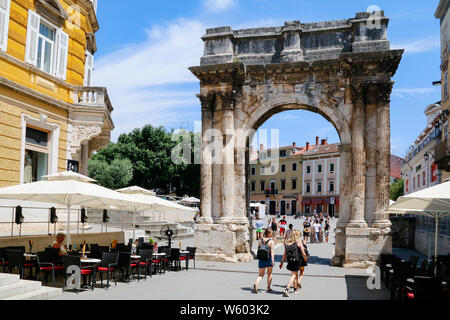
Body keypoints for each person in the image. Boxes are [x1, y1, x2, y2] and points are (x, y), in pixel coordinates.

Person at [279, 229, 308, 297]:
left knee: (294, 273)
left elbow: (284, 254)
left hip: (290, 260)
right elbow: (303, 253)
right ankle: (287, 289)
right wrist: (306, 258)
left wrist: (282, 262)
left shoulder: (287, 243)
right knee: (294, 275)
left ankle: (295, 289)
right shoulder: (299, 243)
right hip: (297, 260)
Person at [253, 229, 275, 294]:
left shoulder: (260, 240)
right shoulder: (271, 241)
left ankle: (256, 283)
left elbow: (258, 249)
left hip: (261, 259)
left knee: (260, 275)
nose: (272, 234)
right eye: (271, 233)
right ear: (268, 234)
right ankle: (268, 287)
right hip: (269, 259)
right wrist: (273, 260)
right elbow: (272, 252)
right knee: (269, 274)